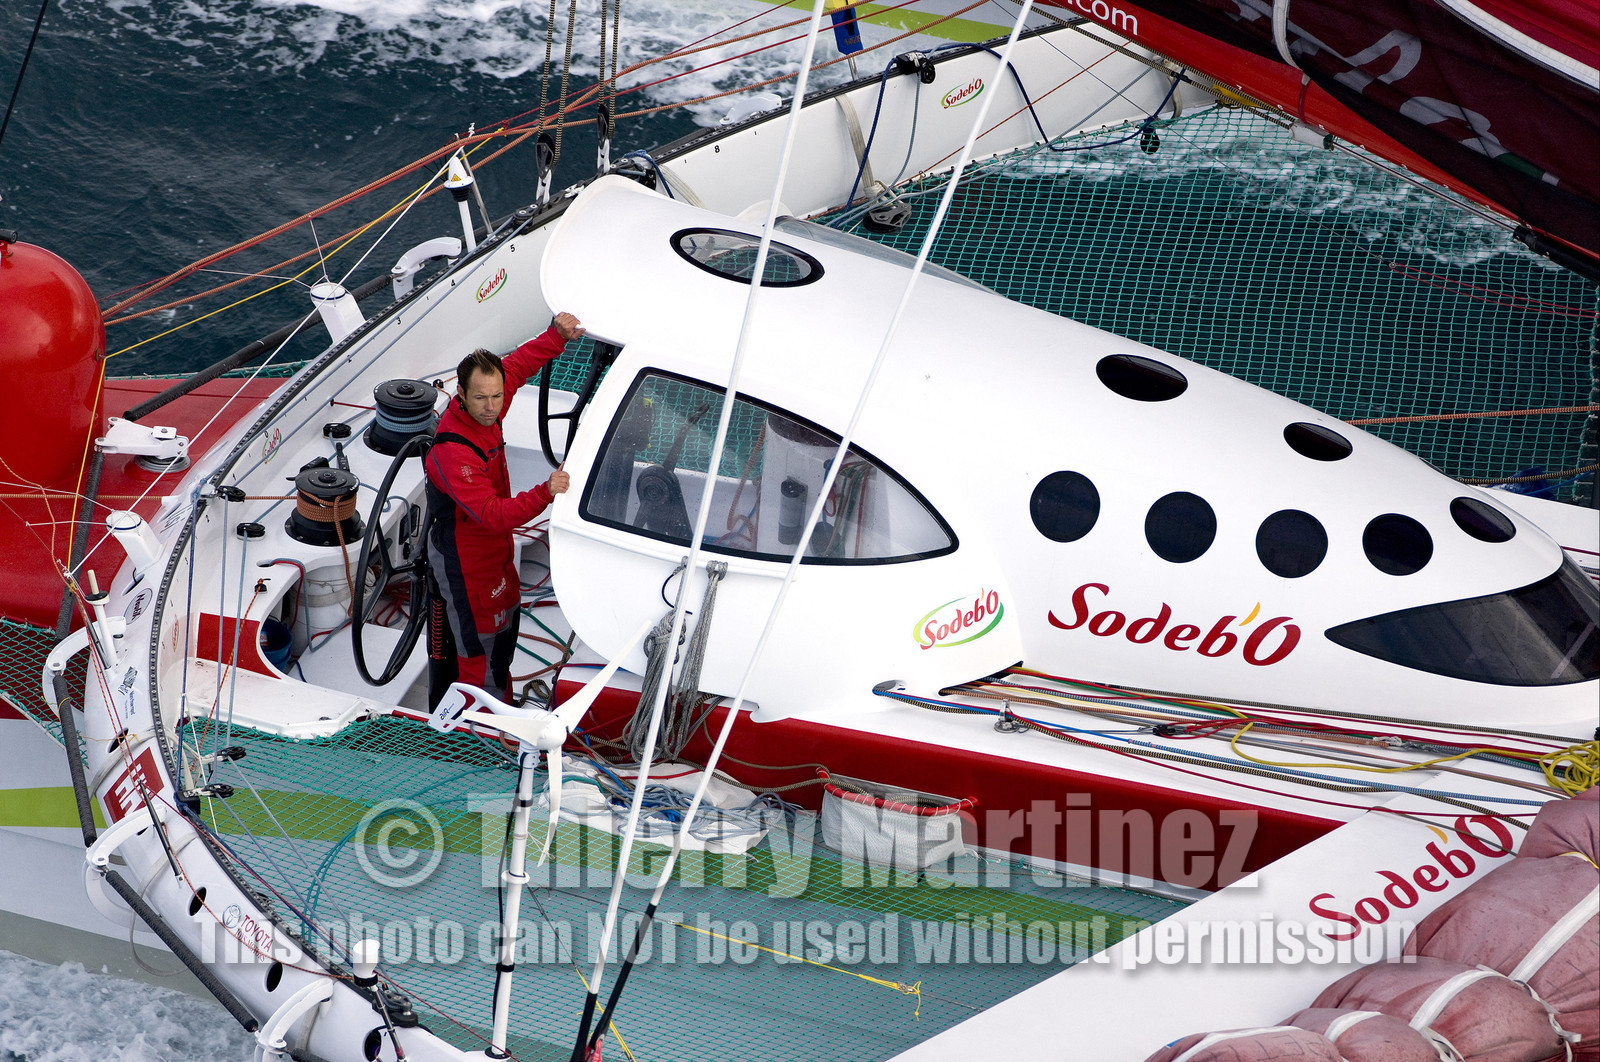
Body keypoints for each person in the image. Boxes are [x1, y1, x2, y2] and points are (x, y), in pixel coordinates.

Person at [424, 312, 585, 707]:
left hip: (494, 551)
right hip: (465, 559)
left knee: (506, 628)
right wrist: (546, 491)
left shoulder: (492, 399)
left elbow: (518, 367)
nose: (492, 406)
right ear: (460, 393)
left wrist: (556, 336)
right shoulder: (452, 452)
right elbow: (494, 513)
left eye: (496, 396)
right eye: (480, 397)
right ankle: (479, 728)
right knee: (478, 651)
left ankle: (500, 702)